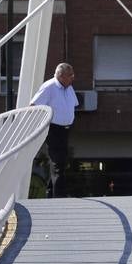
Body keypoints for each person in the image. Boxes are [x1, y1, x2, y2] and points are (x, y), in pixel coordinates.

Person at [30, 62, 78, 197]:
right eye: (70, 75)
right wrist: (41, 126)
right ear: (61, 76)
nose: (73, 77)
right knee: (58, 163)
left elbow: (73, 104)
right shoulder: (49, 87)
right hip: (53, 129)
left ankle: (51, 193)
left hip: (65, 129)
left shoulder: (68, 87)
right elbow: (34, 106)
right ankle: (59, 196)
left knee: (61, 161)